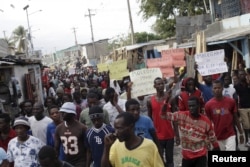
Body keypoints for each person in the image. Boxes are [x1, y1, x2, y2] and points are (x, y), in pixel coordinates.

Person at [161, 96, 220, 167]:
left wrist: (216, 148)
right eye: (190, 106)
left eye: (193, 106)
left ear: (198, 106)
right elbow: (163, 115)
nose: (191, 108)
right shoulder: (182, 116)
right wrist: (166, 101)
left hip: (200, 157)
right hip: (187, 158)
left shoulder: (206, 121)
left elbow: (212, 137)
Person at [205, 80, 244, 150]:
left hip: (230, 135)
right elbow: (207, 123)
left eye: (219, 88)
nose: (217, 90)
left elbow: (236, 118)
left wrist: (241, 133)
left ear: (222, 88)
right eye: (215, 88)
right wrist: (207, 137)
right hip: (217, 136)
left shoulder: (231, 101)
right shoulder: (208, 105)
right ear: (212, 89)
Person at [147, 77, 178, 167]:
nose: (160, 86)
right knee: (159, 159)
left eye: (162, 84)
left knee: (170, 160)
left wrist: (177, 135)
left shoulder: (170, 99)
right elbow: (149, 119)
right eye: (158, 84)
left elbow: (175, 118)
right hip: (157, 135)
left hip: (169, 135)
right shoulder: (150, 100)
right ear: (154, 86)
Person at [54, 102, 87, 167]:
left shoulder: (82, 128)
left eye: (65, 112)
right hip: (67, 161)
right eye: (62, 112)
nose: (62, 114)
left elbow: (88, 148)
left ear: (72, 114)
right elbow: (56, 147)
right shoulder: (59, 128)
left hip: (80, 161)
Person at [234, 69, 250, 147]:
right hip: (242, 108)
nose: (242, 76)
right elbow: (236, 98)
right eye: (240, 74)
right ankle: (247, 139)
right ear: (238, 76)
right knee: (246, 125)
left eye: (243, 74)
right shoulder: (236, 86)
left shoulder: (248, 84)